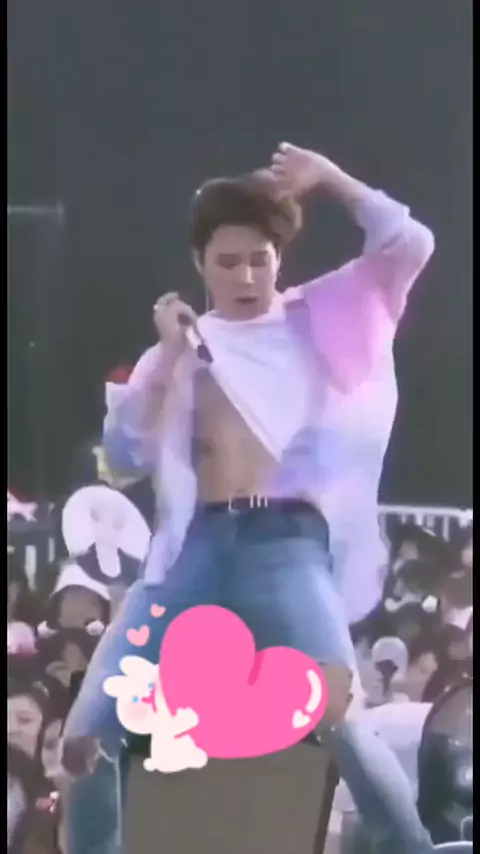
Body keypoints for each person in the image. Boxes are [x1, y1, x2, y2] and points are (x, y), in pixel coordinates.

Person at [62, 143, 436, 854]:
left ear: (279, 259)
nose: (245, 276)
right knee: (88, 736)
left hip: (285, 548)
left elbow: (409, 244)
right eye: (228, 261)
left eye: (259, 260)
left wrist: (331, 179)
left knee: (341, 719)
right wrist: (168, 358)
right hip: (191, 557)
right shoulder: (179, 348)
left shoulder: (315, 318)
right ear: (199, 263)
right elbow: (125, 454)